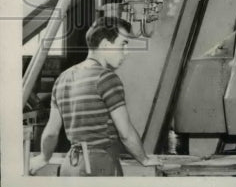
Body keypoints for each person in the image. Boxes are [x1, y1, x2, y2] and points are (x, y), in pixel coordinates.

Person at [28, 17, 159, 176]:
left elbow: (51, 133)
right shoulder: (107, 78)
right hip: (100, 165)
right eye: (123, 44)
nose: (127, 51)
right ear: (105, 44)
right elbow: (125, 133)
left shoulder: (62, 78)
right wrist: (144, 159)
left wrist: (44, 157)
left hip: (70, 165)